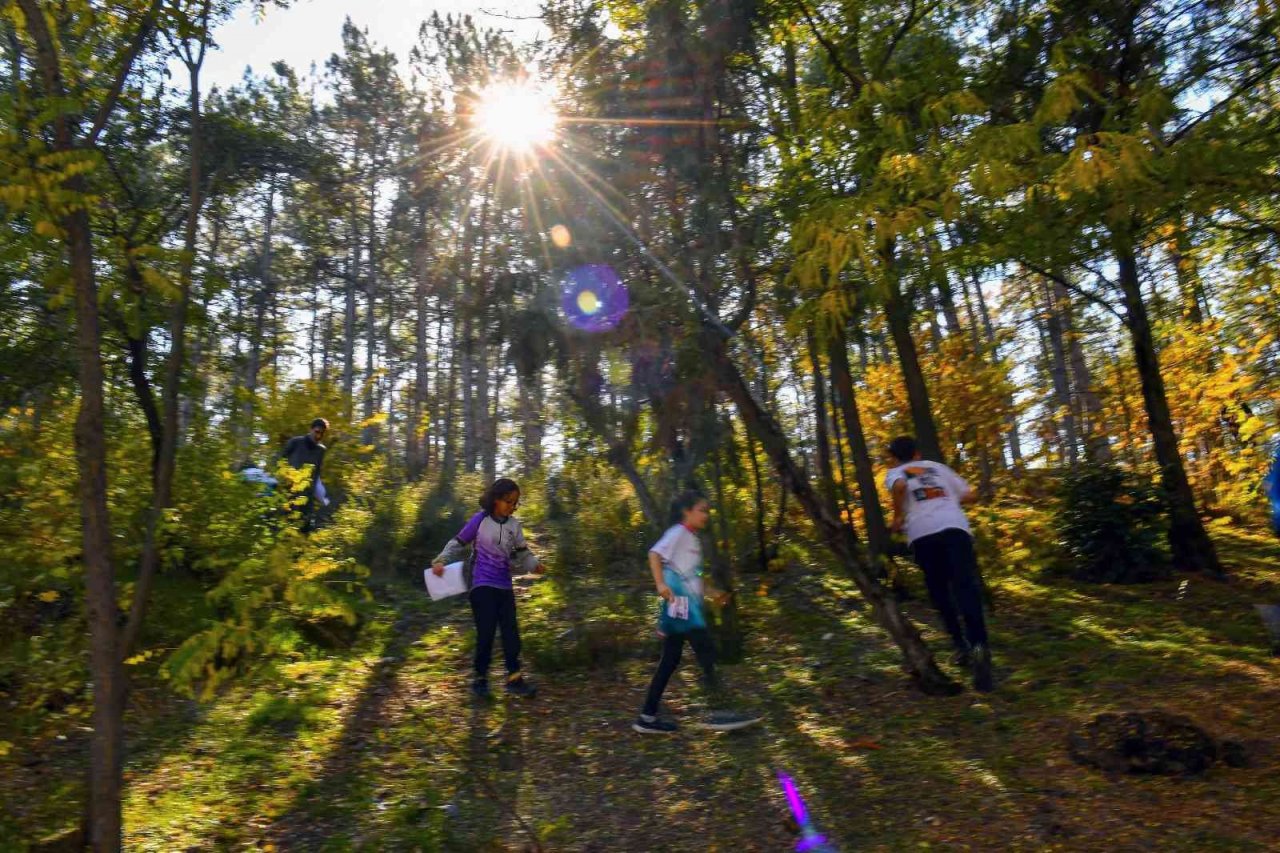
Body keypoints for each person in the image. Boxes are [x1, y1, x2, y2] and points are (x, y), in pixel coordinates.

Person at [633, 491, 762, 734]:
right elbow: (654, 554)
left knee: (670, 661)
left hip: (684, 608)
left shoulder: (693, 539)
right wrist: (660, 584)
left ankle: (646, 718)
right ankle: (719, 714)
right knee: (707, 654)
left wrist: (715, 594)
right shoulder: (678, 533)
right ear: (687, 511)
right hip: (681, 608)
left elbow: (692, 578)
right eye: (702, 509)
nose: (707, 515)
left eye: (707, 510)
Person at [884, 435, 994, 692]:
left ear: (895, 457)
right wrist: (949, 498)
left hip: (923, 535)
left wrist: (898, 517)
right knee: (965, 587)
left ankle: (961, 646)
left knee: (939, 591)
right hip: (955, 529)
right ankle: (979, 646)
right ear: (917, 453)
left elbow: (900, 487)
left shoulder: (895, 472)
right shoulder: (939, 468)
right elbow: (970, 495)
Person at [432, 478, 544, 699]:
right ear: (495, 499)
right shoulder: (480, 519)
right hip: (481, 583)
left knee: (511, 633)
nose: (512, 506)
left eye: (515, 502)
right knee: (486, 633)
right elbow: (458, 541)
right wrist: (441, 560)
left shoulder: (514, 526)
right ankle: (480, 680)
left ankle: (514, 679)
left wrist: (535, 565)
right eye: (508, 501)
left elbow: (523, 553)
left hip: (504, 585)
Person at [279, 418, 328, 531]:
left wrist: (313, 491)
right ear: (311, 429)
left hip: (307, 493)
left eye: (322, 433)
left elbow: (317, 472)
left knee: (306, 525)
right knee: (285, 522)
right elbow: (281, 460)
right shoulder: (295, 442)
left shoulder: (321, 450)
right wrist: (284, 479)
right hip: (289, 488)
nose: (319, 436)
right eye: (317, 432)